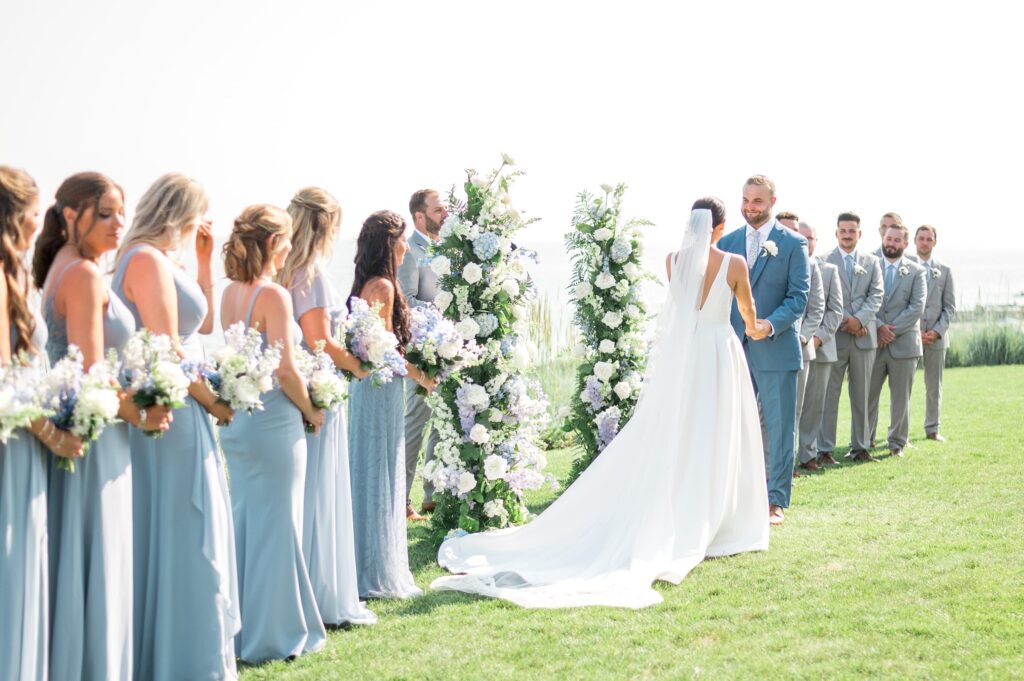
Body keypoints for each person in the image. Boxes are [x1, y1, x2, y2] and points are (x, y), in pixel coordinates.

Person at [430, 199, 769, 609]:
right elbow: (748, 315)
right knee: (716, 431)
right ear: (721, 226)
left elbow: (682, 313)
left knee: (681, 432)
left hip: (686, 359)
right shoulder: (734, 263)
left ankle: (685, 507)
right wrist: (761, 327)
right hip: (719, 354)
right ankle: (715, 516)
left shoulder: (672, 261)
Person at [34, 172, 172, 681]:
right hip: (96, 441)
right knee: (102, 565)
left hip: (89, 433)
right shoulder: (85, 275)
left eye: (122, 213)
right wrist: (142, 411)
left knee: (90, 568)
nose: (120, 225)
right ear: (71, 216)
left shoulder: (61, 268)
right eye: (107, 213)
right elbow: (93, 375)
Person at [111, 173, 241, 680]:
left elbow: (201, 328)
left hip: (183, 406)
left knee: (191, 524)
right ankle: (182, 658)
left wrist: (206, 262)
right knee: (183, 524)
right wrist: (215, 403)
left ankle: (189, 649)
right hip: (173, 411)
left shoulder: (163, 260)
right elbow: (170, 350)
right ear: (180, 212)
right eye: (198, 215)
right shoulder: (143, 259)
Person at [219, 204, 327, 662]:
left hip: (242, 424)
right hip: (275, 424)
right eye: (284, 240)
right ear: (270, 243)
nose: (289, 248)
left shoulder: (229, 293)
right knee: (279, 528)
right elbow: (285, 370)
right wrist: (313, 411)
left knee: (248, 527)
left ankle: (243, 630)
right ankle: (273, 637)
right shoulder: (274, 295)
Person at [277, 187, 377, 627]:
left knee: (302, 491)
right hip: (319, 388)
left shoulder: (280, 268)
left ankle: (298, 589)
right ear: (324, 225)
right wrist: (360, 364)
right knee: (319, 488)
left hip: (291, 390)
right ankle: (321, 591)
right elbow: (319, 339)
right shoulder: (312, 273)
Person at [0, 167, 83, 681]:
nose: (41, 220)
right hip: (13, 444)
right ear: (18, 215)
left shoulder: (18, 276)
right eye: (35, 211)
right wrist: (52, 433)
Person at [348, 210, 435, 599]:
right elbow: (384, 353)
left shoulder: (371, 282)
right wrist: (423, 376)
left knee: (374, 467)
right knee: (379, 468)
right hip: (380, 389)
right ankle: (375, 569)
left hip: (373, 389)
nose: (406, 245)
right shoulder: (382, 286)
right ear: (390, 243)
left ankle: (368, 560)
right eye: (401, 239)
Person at [717, 176, 810, 526]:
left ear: (772, 201)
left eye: (757, 201)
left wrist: (767, 325)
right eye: (745, 200)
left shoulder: (793, 243)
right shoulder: (727, 242)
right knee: (734, 424)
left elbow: (798, 297)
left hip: (776, 348)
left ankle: (776, 501)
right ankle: (737, 496)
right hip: (733, 349)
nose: (749, 207)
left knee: (780, 425)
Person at [397, 188, 448, 519]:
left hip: (449, 347)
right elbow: (405, 300)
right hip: (421, 350)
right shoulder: (409, 252)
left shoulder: (449, 249)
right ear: (420, 215)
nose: (445, 214)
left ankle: (432, 494)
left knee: (442, 423)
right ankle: (400, 499)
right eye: (438, 209)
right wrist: (442, 312)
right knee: (416, 422)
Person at [819, 212, 884, 462]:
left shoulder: (872, 262)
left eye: (852, 231)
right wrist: (849, 321)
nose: (847, 235)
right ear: (836, 233)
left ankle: (861, 446)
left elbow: (876, 295)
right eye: (843, 231)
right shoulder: (824, 260)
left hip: (865, 337)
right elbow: (825, 298)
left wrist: (861, 320)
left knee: (863, 393)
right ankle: (824, 449)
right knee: (829, 394)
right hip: (836, 337)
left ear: (860, 233)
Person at [867, 224, 927, 457]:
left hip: (904, 345)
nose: (891, 243)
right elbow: (866, 299)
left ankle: (897, 444)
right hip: (874, 343)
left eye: (896, 240)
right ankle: (864, 442)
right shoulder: (870, 265)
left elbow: (917, 306)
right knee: (867, 395)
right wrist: (879, 327)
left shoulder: (917, 271)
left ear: (905, 243)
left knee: (901, 398)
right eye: (888, 238)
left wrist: (891, 331)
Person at [777, 217, 828, 473]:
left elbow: (816, 307)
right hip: (767, 345)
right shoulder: (763, 256)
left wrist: (802, 336)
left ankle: (788, 463)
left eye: (794, 230)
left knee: (795, 411)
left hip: (799, 347)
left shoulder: (809, 265)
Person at [794, 221, 844, 468]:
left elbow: (835, 310)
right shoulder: (786, 264)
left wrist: (816, 337)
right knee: (793, 406)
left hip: (820, 347)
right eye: (799, 237)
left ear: (816, 241)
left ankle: (808, 454)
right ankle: (786, 458)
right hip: (792, 348)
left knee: (814, 406)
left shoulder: (828, 270)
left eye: (809, 238)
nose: (805, 242)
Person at [914, 225, 956, 441]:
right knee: (903, 388)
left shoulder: (945, 270)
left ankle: (933, 429)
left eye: (928, 239)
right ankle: (899, 432)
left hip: (936, 339)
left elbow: (950, 307)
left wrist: (937, 332)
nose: (924, 242)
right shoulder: (907, 267)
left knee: (934, 387)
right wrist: (915, 331)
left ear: (934, 242)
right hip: (910, 337)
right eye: (921, 238)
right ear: (914, 241)